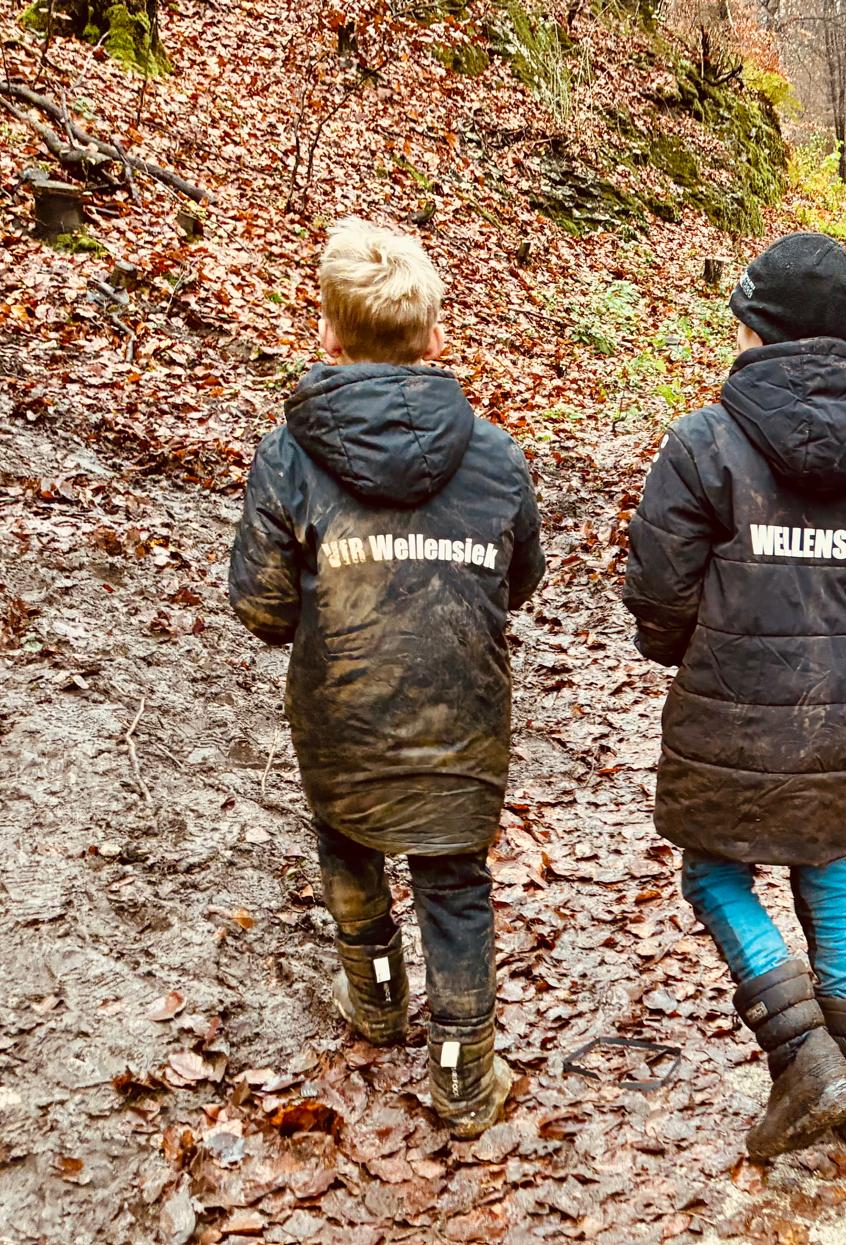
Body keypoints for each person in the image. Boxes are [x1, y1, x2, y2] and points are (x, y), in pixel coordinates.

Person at [228, 219, 545, 1138]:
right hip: (463, 717)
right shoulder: (494, 454)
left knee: (349, 841)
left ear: (326, 334)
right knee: (453, 881)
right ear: (437, 337)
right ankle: (462, 1076)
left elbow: (261, 605)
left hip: (343, 714)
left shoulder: (289, 456)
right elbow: (520, 579)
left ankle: (373, 1001)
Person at [623, 233, 846, 1159]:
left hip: (730, 704)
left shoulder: (703, 443)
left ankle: (806, 1059)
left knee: (716, 873)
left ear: (754, 325)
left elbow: (659, 586)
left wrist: (689, 649)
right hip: (842, 711)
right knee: (826, 865)